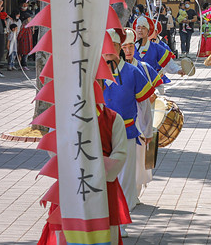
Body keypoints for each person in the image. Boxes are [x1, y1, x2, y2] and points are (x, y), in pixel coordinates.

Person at [37, 102, 132, 245]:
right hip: (72, 184)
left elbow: (120, 154)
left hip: (103, 187)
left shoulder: (113, 118)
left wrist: (93, 169)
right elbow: (54, 149)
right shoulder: (62, 117)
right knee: (67, 232)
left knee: (104, 232)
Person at [103, 28, 157, 237]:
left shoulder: (133, 72)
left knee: (125, 179)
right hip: (98, 134)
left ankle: (119, 222)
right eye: (104, 48)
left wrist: (147, 131)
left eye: (112, 47)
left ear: (119, 48)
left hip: (126, 130)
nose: (108, 52)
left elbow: (144, 105)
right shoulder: (93, 72)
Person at [120, 28, 164, 201]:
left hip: (139, 122)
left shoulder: (142, 68)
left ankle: (133, 195)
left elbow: (157, 89)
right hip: (119, 124)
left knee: (138, 162)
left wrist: (155, 95)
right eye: (124, 47)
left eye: (131, 46)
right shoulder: (112, 70)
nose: (128, 50)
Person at [134, 16, 184, 93]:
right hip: (135, 86)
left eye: (143, 28)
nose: (140, 30)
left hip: (152, 85)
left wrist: (178, 70)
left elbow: (168, 62)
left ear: (148, 31)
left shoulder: (156, 47)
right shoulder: (130, 48)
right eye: (138, 28)